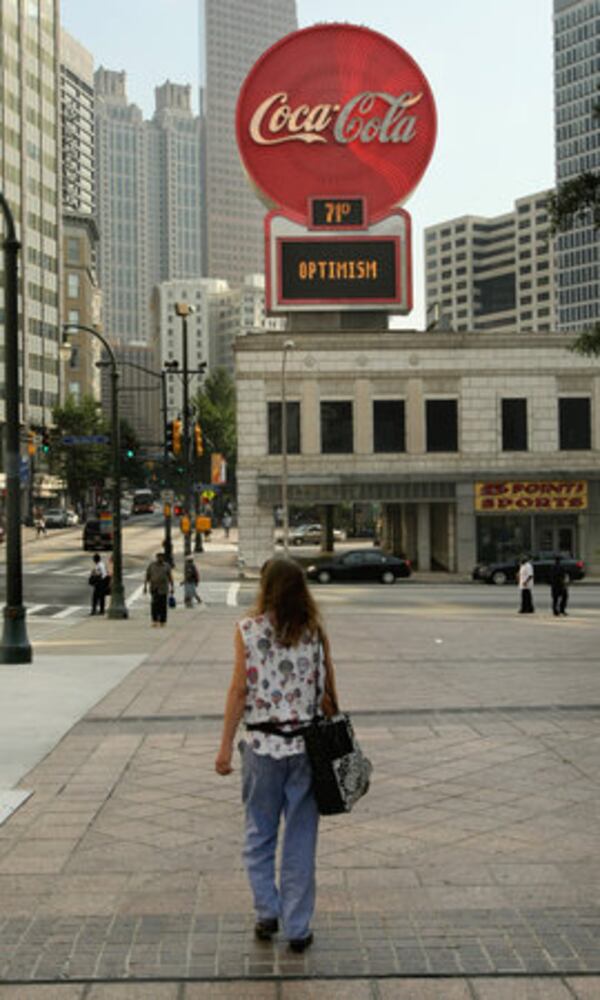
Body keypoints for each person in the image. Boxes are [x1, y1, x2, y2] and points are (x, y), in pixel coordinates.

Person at [215, 557, 338, 953]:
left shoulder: (247, 630)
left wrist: (224, 747)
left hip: (262, 748)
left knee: (259, 832)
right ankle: (298, 928)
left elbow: (239, 691)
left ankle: (267, 911)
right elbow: (329, 693)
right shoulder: (315, 632)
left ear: (265, 588)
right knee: (301, 840)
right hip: (306, 749)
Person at [143, 551, 174, 627]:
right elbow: (147, 576)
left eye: (162, 557)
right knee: (154, 605)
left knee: (163, 605)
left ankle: (163, 621)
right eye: (159, 557)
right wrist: (145, 587)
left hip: (163, 588)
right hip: (154, 588)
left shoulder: (166, 566)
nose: (160, 558)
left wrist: (172, 587)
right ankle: (155, 620)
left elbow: (170, 577)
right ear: (156, 558)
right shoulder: (152, 565)